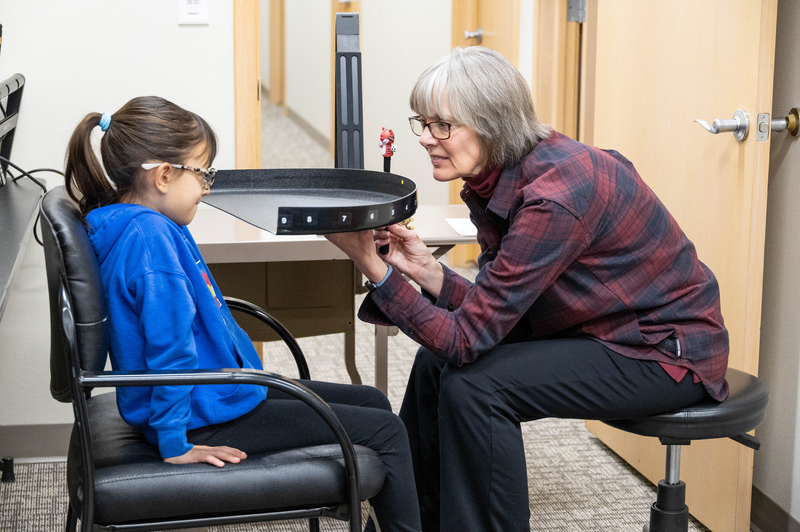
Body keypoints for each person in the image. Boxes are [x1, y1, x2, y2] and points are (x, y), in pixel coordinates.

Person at [325, 46, 729, 532]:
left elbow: (467, 338)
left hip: (662, 351)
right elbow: (496, 308)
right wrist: (426, 270)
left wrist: (374, 267)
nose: (427, 139)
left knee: (476, 385)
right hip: (597, 326)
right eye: (422, 123)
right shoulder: (506, 173)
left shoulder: (556, 196)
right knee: (437, 364)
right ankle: (408, 525)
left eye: (442, 126)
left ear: (491, 123)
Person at [63, 96, 421, 532]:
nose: (207, 187)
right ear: (163, 176)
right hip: (202, 414)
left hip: (213, 395)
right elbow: (169, 350)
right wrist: (175, 443)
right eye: (201, 174)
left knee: (373, 401)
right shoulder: (149, 239)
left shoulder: (130, 223)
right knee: (388, 432)